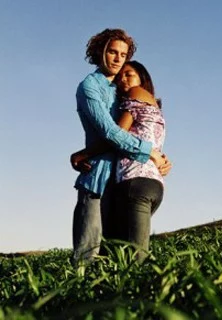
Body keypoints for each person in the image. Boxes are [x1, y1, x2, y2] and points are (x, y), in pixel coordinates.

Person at [71, 28, 171, 264]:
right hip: (97, 177)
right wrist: (151, 154)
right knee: (89, 253)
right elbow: (111, 132)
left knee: (116, 255)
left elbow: (143, 126)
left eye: (123, 54)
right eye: (112, 52)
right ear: (100, 52)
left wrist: (159, 156)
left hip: (123, 181)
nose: (118, 59)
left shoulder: (123, 90)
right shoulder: (89, 87)